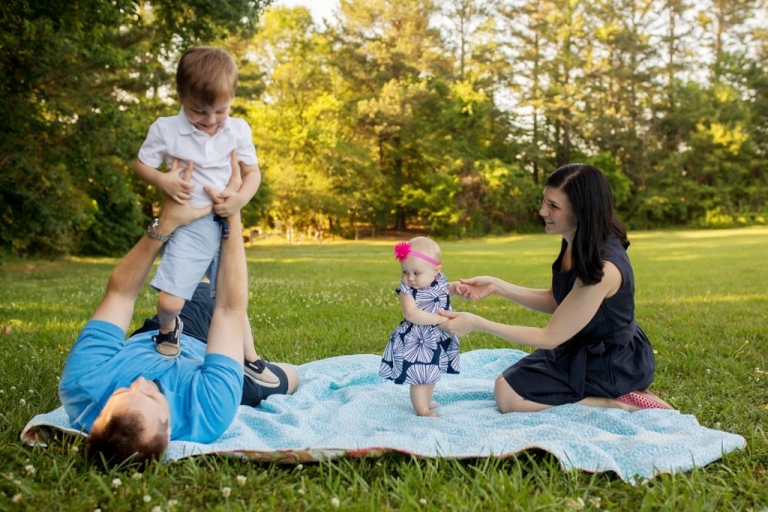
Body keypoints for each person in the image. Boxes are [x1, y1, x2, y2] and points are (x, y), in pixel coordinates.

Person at [58, 162, 298, 467]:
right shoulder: (209, 412)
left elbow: (119, 294)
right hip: (204, 357)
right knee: (290, 378)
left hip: (164, 334)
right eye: (150, 397)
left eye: (122, 392)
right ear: (170, 431)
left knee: (194, 284)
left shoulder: (82, 387)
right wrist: (232, 215)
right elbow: (228, 310)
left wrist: (165, 224)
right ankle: (249, 361)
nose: (141, 382)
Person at [438, 164, 673, 413]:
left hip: (611, 363)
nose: (542, 211)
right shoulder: (576, 238)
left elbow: (550, 338)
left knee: (507, 397)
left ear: (581, 211)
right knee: (505, 385)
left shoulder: (604, 269)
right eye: (544, 201)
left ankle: (616, 401)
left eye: (553, 205)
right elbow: (555, 299)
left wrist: (476, 323)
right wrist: (497, 286)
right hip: (580, 343)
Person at [133, 46, 261, 359]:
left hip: (226, 222)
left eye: (220, 110)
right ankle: (168, 327)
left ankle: (251, 358)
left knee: (231, 300)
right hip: (191, 223)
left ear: (231, 98)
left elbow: (252, 173)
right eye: (199, 111)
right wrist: (164, 180)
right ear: (181, 96)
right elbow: (141, 165)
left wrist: (239, 199)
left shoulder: (238, 129)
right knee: (169, 303)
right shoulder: (166, 130)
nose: (210, 120)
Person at [379, 237, 461, 417]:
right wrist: (438, 319)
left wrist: (456, 289)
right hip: (417, 340)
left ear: (435, 270)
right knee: (419, 375)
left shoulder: (439, 280)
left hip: (436, 337)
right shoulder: (407, 290)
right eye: (405, 271)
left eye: (416, 273)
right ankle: (421, 409)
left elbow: (444, 290)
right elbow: (411, 313)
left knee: (432, 371)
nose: (410, 278)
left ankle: (426, 400)